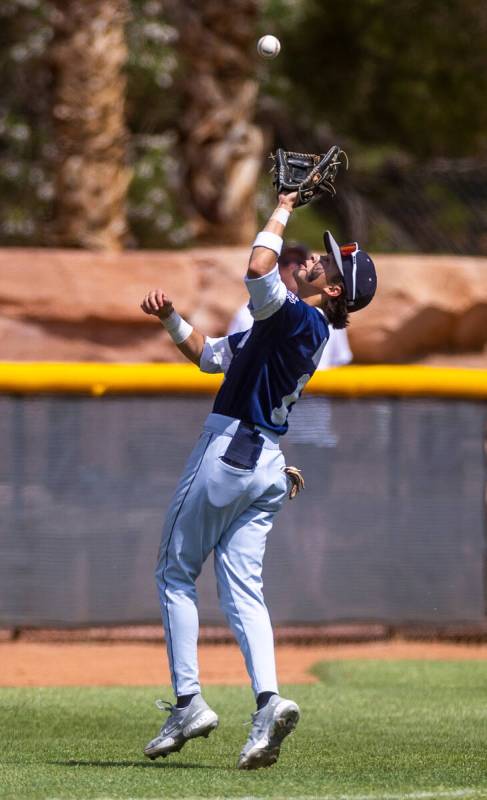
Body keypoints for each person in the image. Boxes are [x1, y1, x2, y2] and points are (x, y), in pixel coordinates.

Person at [140, 191, 377, 770]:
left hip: (230, 449)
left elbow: (257, 268)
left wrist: (282, 208)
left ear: (335, 290)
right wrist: (172, 318)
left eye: (326, 264)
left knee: (174, 571)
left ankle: (189, 702)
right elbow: (209, 357)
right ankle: (268, 702)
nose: (314, 261)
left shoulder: (295, 316)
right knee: (244, 590)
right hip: (266, 462)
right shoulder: (293, 328)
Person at [228, 242, 353, 371]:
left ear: (332, 289)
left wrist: (278, 220)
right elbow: (226, 353)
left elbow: (257, 269)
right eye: (285, 261)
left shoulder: (306, 316)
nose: (292, 266)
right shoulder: (246, 314)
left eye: (298, 260)